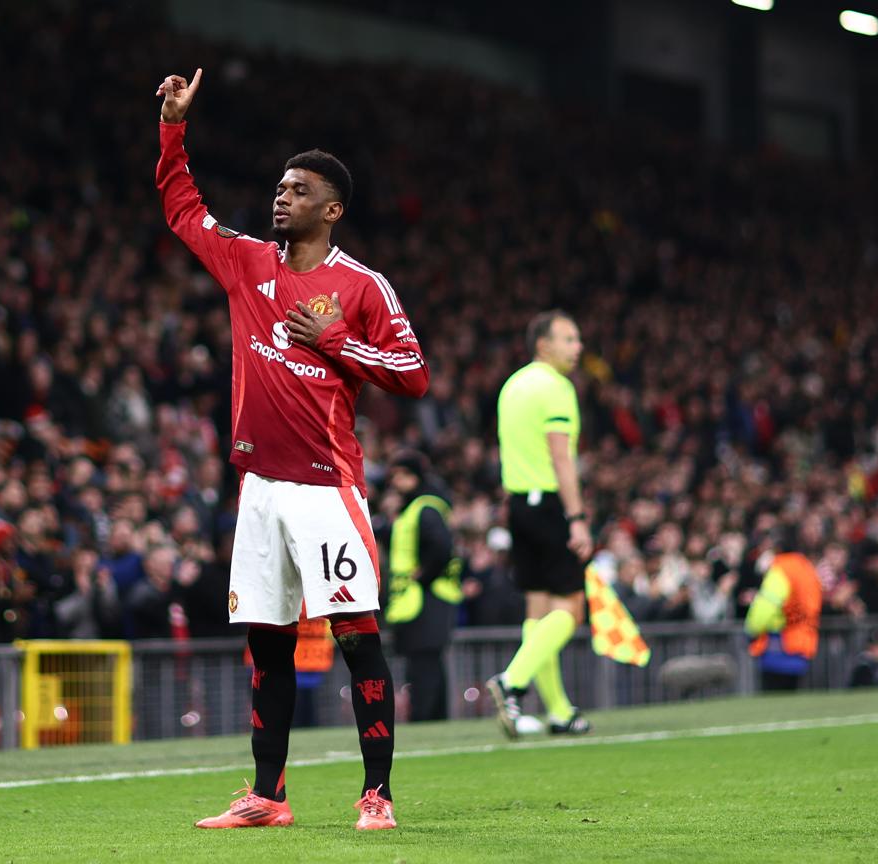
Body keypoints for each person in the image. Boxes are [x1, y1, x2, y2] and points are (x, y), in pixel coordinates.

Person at [157, 68, 429, 831]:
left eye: (299, 190)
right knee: (268, 647)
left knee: (356, 640)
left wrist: (338, 342)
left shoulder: (363, 287)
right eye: (280, 187)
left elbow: (414, 374)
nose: (282, 196)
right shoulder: (247, 263)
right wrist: (174, 127)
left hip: (326, 488)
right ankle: (267, 795)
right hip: (261, 489)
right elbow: (183, 209)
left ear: (332, 209)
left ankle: (377, 794)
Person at [487, 310, 593, 739]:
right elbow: (561, 458)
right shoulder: (556, 388)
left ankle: (560, 711)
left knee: (538, 609)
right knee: (570, 609)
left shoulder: (513, 385)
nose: (577, 347)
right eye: (569, 339)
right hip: (549, 505)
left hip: (519, 505)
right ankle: (511, 682)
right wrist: (578, 518)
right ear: (544, 344)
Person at [383, 451, 461, 722]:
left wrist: (423, 576)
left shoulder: (423, 508)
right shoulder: (421, 507)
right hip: (426, 596)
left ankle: (425, 717)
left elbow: (441, 547)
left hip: (425, 597)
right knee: (429, 661)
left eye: (401, 475)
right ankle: (434, 716)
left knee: (423, 661)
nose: (396, 482)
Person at [744, 547, 822, 691]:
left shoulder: (780, 570)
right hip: (802, 643)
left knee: (774, 699)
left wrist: (751, 630)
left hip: (779, 646)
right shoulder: (806, 568)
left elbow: (766, 607)